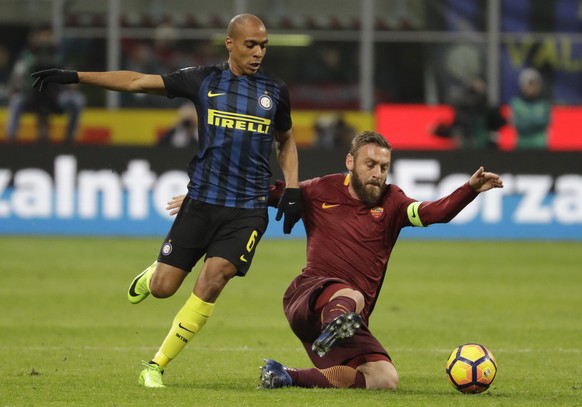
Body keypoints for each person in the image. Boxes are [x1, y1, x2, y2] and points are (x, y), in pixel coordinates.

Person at [31, 14, 302, 388]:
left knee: (214, 278)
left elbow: (285, 139)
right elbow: (137, 81)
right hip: (202, 202)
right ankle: (152, 274)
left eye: (264, 46)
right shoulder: (203, 80)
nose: (258, 53)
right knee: (163, 288)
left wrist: (293, 186)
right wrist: (77, 76)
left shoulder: (275, 90)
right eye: (250, 45)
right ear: (230, 44)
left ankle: (155, 365)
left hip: (249, 209)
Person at [254, 131, 502, 389]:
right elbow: (276, 194)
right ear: (350, 162)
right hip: (308, 297)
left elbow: (434, 212)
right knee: (354, 296)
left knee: (384, 378)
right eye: (370, 164)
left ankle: (285, 375)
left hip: (351, 316)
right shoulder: (319, 190)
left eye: (384, 167)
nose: (377, 173)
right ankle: (335, 324)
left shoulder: (393, 202)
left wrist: (469, 190)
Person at [6, 25, 85, 143]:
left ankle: (70, 137)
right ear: (35, 38)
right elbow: (16, 77)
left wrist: (72, 85)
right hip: (31, 95)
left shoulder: (60, 56)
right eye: (41, 35)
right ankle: (11, 138)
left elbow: (72, 77)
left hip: (57, 96)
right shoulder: (26, 56)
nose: (44, 39)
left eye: (47, 35)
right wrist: (16, 89)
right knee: (16, 101)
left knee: (77, 100)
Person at [509, 67, 551, 149]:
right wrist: (533, 121)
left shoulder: (544, 104)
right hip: (522, 144)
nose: (532, 88)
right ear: (523, 86)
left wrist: (528, 120)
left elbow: (544, 122)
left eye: (534, 84)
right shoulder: (517, 104)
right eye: (529, 84)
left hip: (539, 145)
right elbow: (518, 124)